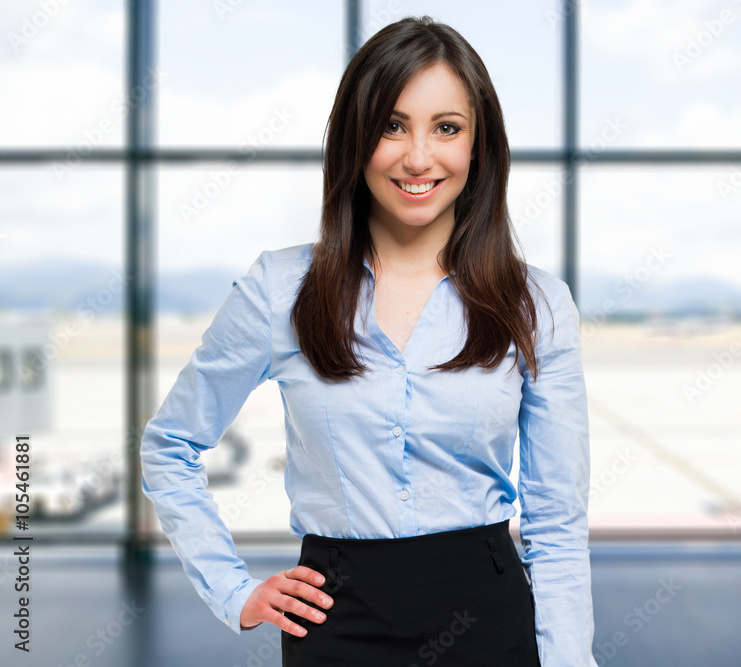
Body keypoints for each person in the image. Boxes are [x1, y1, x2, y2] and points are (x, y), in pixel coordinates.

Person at [140, 15, 597, 667]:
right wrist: (232, 590)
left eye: (446, 127)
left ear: (478, 145)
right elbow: (170, 444)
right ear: (357, 139)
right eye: (391, 125)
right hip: (336, 626)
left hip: (488, 621)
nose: (418, 157)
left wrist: (570, 661)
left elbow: (556, 519)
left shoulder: (537, 304)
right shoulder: (279, 288)